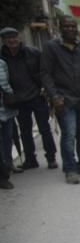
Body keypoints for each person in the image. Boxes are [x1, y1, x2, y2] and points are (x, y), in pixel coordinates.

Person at [40, 16, 80, 184]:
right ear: (60, 28)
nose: (70, 29)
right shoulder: (51, 48)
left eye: (72, 26)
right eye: (66, 26)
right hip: (63, 99)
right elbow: (45, 74)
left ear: (77, 29)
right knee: (69, 134)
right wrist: (54, 96)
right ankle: (70, 169)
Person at [1, 27, 58, 169]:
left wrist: (46, 89)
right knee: (25, 131)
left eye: (14, 37)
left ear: (18, 37)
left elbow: (44, 71)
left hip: (37, 96)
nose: (12, 40)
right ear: (3, 40)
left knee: (44, 128)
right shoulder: (2, 57)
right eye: (8, 38)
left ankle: (51, 158)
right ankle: (30, 159)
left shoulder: (33, 53)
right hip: (17, 99)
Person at [0, 56, 15, 187]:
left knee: (8, 138)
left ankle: (9, 164)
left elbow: (7, 82)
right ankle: (3, 176)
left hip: (6, 108)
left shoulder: (2, 63)